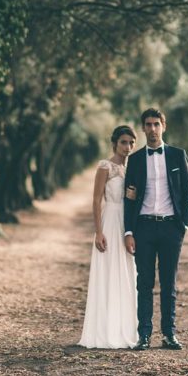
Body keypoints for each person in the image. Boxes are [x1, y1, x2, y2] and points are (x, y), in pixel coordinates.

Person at [123, 108, 188, 351]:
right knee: (144, 283)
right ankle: (144, 335)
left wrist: (183, 225)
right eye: (148, 125)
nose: (152, 129)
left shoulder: (177, 155)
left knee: (168, 284)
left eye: (156, 124)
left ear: (163, 126)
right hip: (143, 227)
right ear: (143, 128)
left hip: (171, 228)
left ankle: (169, 334)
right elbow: (128, 199)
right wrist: (128, 231)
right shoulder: (134, 160)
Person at [78, 125, 139, 349]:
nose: (128, 147)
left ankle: (125, 327)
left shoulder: (134, 168)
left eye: (132, 143)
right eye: (124, 142)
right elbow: (96, 201)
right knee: (109, 271)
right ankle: (105, 330)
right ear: (115, 143)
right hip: (111, 221)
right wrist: (98, 232)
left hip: (129, 224)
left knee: (126, 272)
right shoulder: (105, 167)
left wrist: (135, 195)